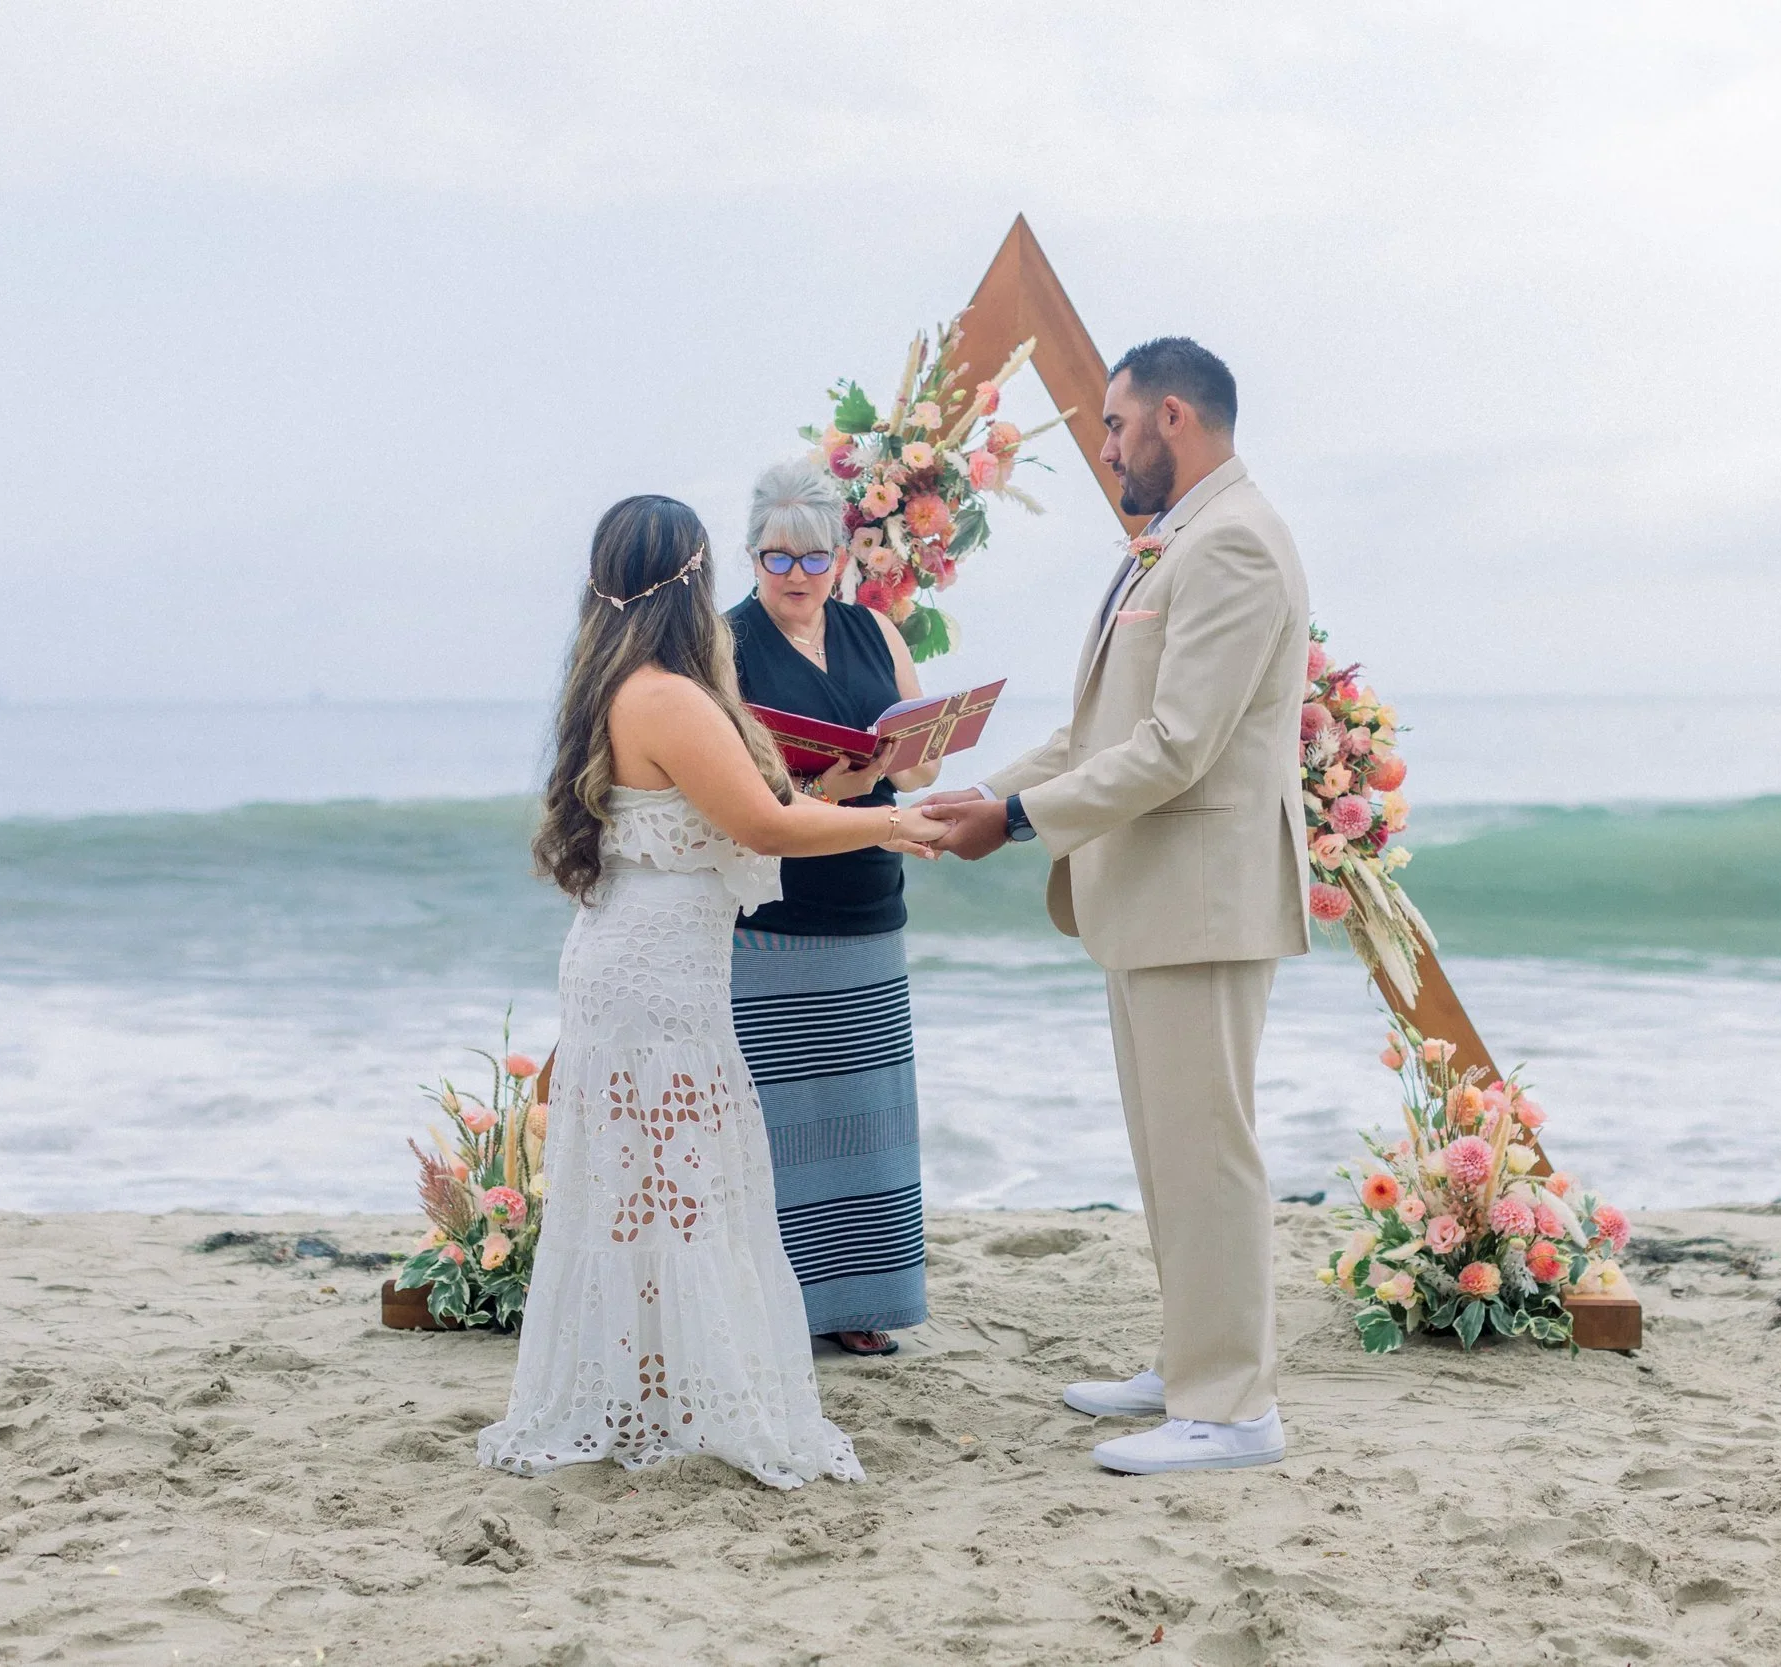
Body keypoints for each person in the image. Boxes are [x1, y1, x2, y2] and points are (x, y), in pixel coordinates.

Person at [476, 493, 946, 1490]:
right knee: (686, 1183)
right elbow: (765, 823)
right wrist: (891, 825)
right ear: (693, 578)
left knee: (648, 1183)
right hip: (654, 978)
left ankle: (653, 1384)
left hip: (636, 958)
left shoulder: (612, 677)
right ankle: (684, 1395)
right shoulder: (669, 696)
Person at [922, 338, 1309, 1476]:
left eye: (1113, 425)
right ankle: (1191, 1363)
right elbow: (1098, 733)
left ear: (1173, 418)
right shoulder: (1173, 542)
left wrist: (1022, 822)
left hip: (1204, 898)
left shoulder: (1232, 541)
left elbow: (1177, 746)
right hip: (1152, 899)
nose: (1103, 448)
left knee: (1209, 1150)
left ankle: (1234, 1408)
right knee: (1166, 1150)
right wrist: (976, 794)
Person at [725, 459, 943, 1358]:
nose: (797, 579)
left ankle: (862, 1302)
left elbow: (923, 762)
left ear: (841, 559)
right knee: (778, 1119)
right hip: (773, 912)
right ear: (751, 556)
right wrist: (827, 780)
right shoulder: (723, 643)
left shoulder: (873, 631)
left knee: (867, 1111)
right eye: (777, 560)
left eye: (813, 561)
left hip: (868, 897)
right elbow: (732, 786)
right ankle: (782, 1304)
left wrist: (879, 770)